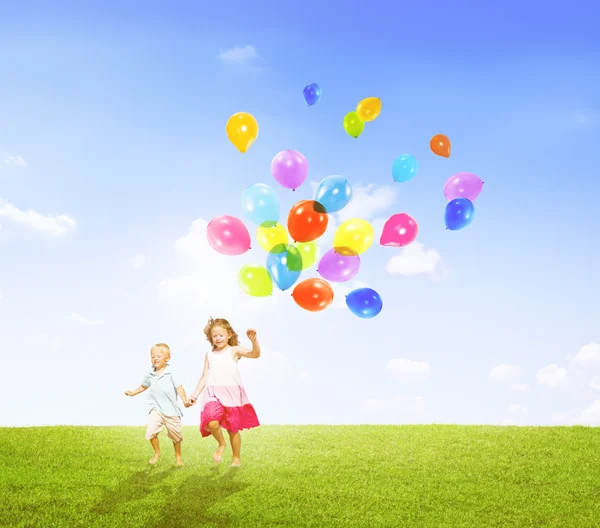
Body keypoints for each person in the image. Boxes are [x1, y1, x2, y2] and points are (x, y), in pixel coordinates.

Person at [186, 317, 260, 467]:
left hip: (232, 395)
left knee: (233, 429)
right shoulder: (209, 354)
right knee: (212, 421)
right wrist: (194, 395)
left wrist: (253, 340)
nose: (218, 338)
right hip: (212, 394)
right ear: (210, 338)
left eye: (221, 335)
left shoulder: (234, 350)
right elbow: (204, 376)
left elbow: (254, 354)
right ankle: (221, 444)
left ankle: (236, 458)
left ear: (229, 335)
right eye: (214, 336)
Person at [125, 343, 188, 466]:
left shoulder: (171, 373)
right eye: (152, 356)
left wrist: (185, 400)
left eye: (159, 356)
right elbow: (144, 385)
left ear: (168, 358)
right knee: (151, 431)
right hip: (156, 409)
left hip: (172, 411)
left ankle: (178, 455)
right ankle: (157, 452)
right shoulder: (150, 374)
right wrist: (133, 393)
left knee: (176, 436)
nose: (155, 358)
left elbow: (179, 388)